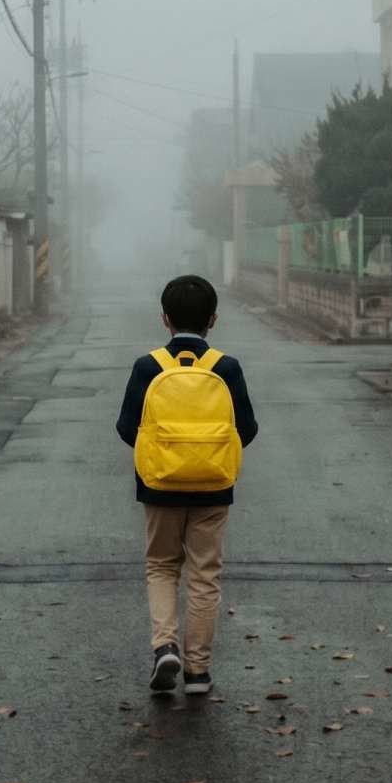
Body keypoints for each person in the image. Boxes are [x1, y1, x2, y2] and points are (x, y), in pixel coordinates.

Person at [116, 275, 258, 696]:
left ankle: (165, 647)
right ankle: (198, 671)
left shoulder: (148, 366)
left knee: (161, 565)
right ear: (214, 318)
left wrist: (164, 456)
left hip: (158, 487)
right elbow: (245, 428)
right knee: (204, 574)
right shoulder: (226, 367)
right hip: (214, 487)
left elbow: (127, 428)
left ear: (165, 319)